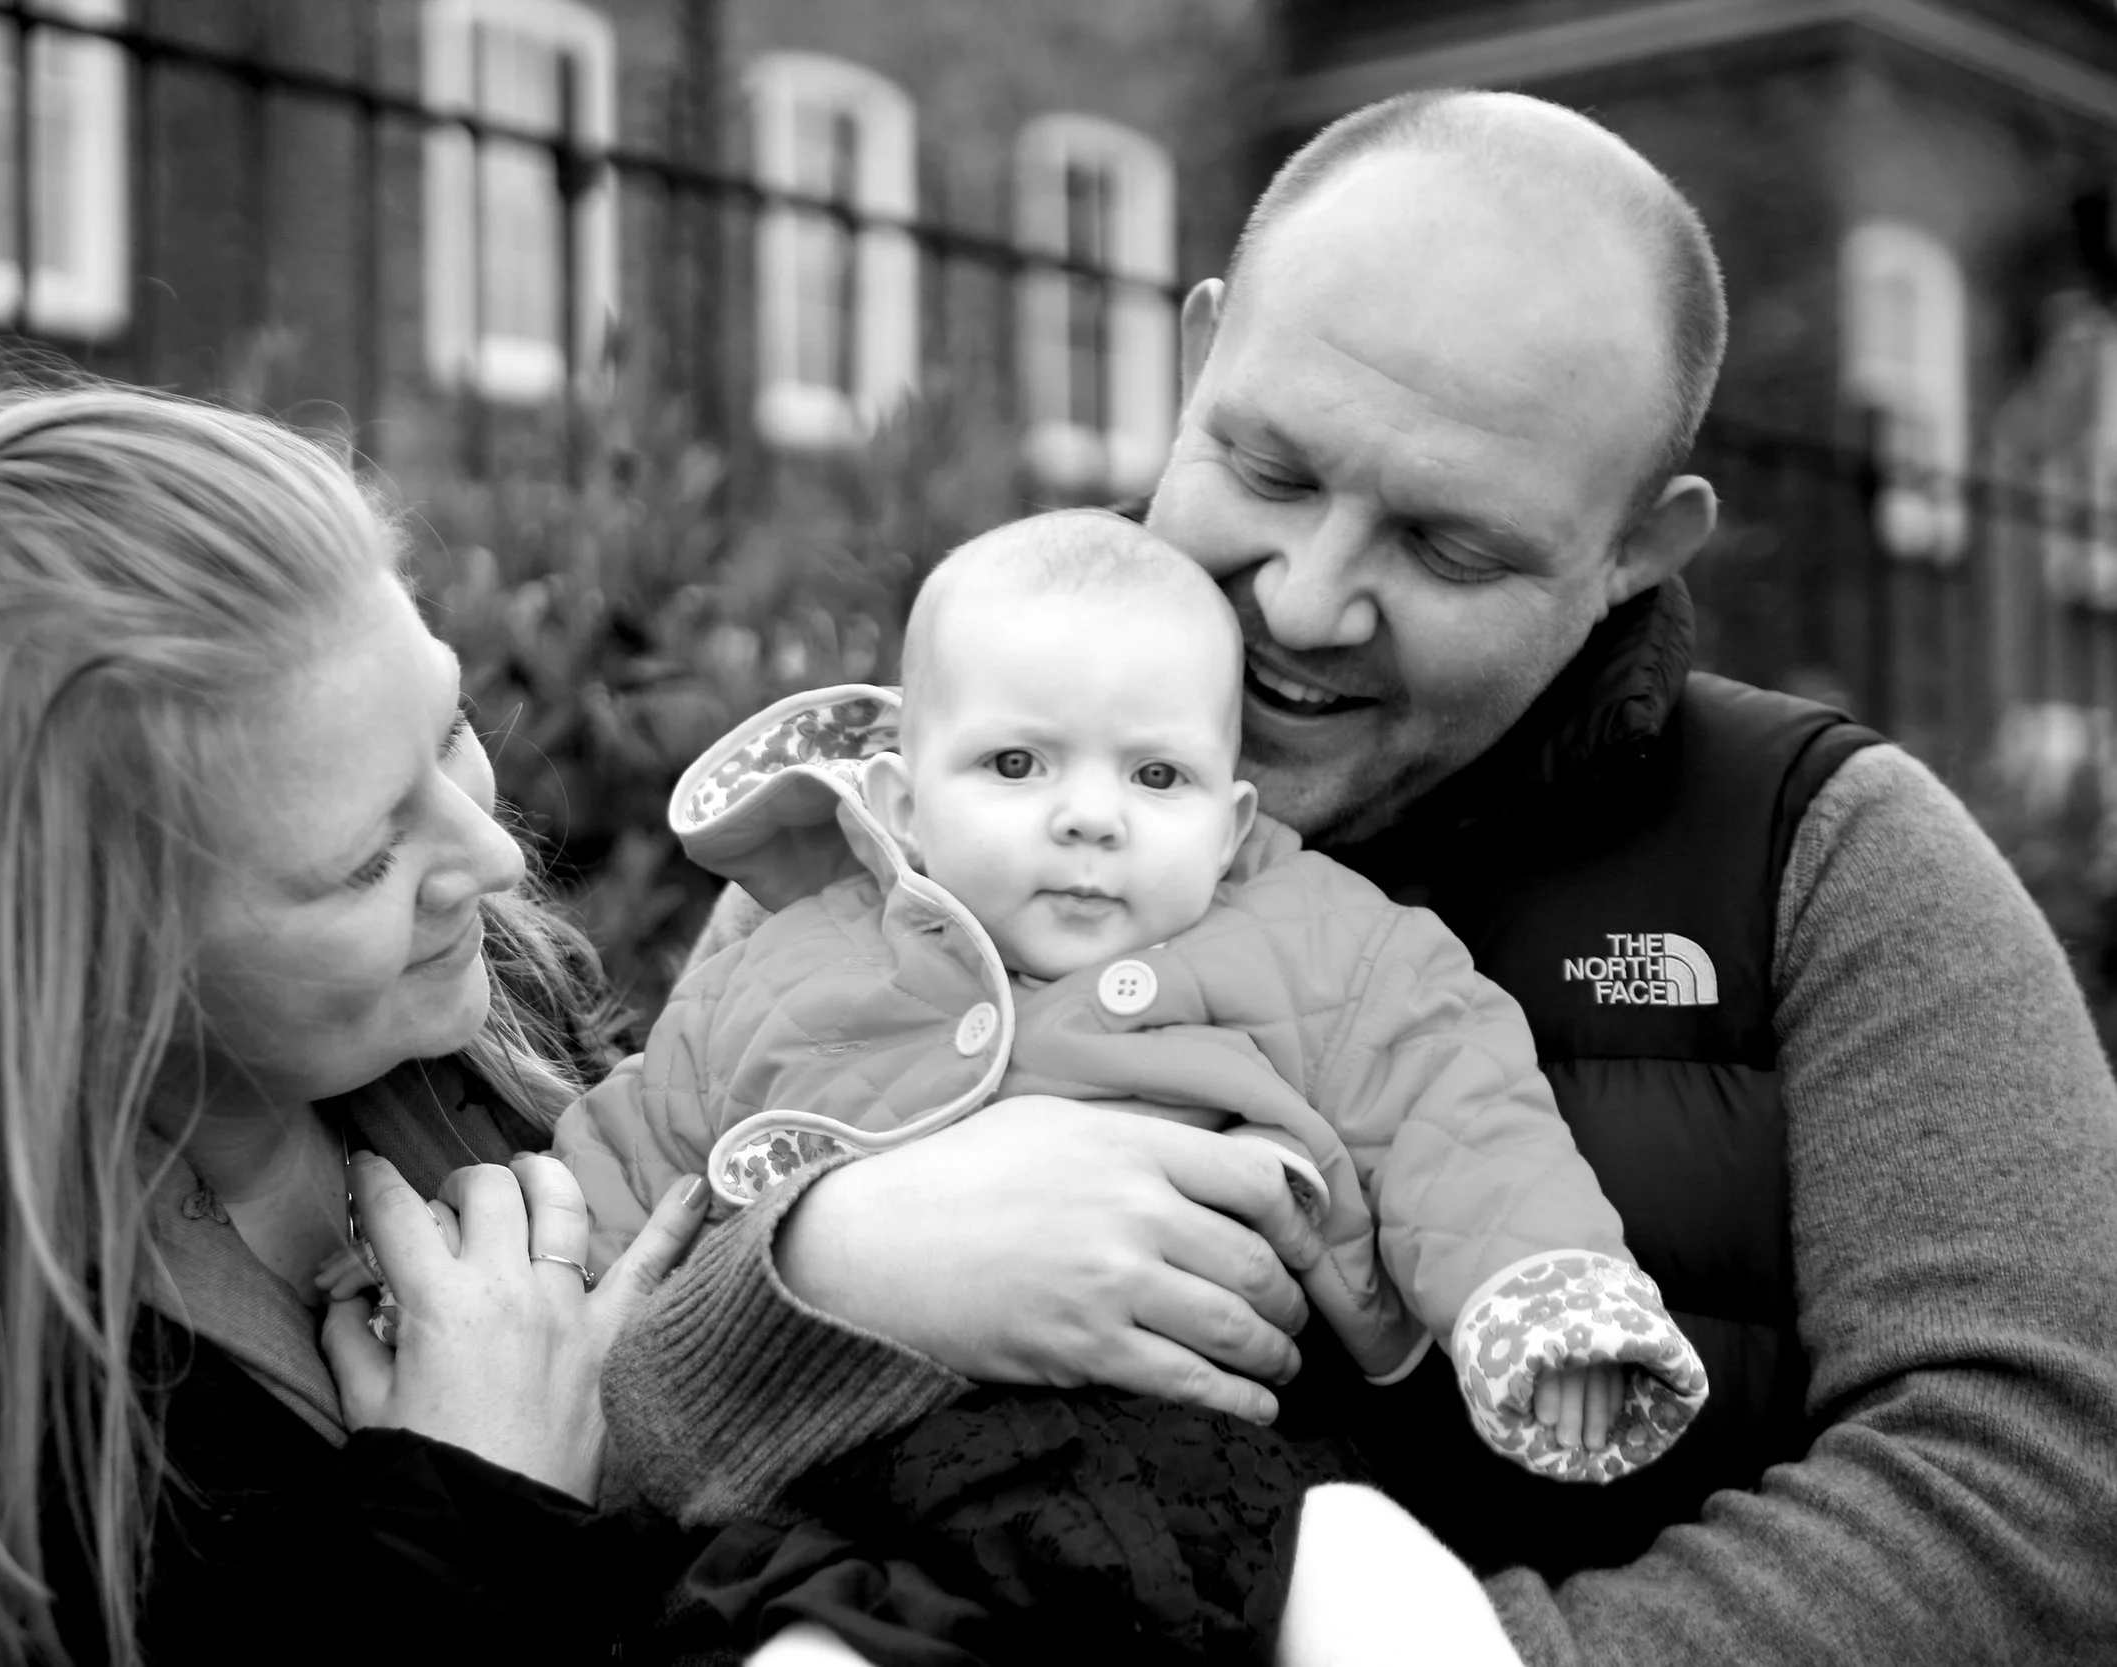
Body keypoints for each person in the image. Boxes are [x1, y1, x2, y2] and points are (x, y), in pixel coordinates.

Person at [625, 88, 2117, 1664]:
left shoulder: (1826, 858)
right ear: (1199, 355)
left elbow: (2038, 1488)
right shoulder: (885, 833)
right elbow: (596, 1402)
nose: (1309, 598)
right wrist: (829, 1265)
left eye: (1450, 549)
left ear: (1639, 546)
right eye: (1267, 468)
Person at [0, 383, 909, 1666]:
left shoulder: (490, 1029)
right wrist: (469, 1506)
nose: (490, 858)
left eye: (451, 725)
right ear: (98, 969)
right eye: (362, 862)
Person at [559, 506, 1706, 1478]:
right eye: (1017, 764)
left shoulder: (1322, 946)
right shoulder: (784, 963)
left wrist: (1541, 1288)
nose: (1090, 814)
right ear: (902, 804)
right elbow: (636, 1145)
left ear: (1230, 824)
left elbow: (1456, 1098)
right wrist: (530, 1300)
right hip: (840, 1464)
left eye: (1157, 774)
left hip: (1185, 1459)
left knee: (1373, 1584)